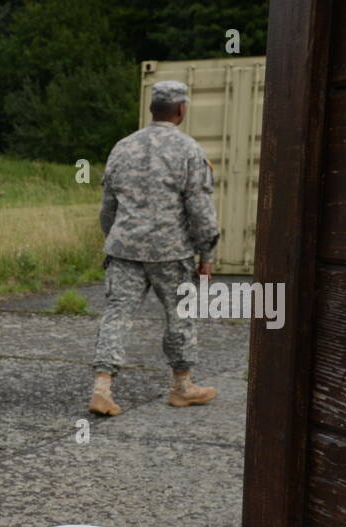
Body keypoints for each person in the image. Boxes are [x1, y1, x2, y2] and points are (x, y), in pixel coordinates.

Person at [90, 79, 221, 416]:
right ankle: (182, 386)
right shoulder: (189, 150)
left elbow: (107, 207)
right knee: (180, 316)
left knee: (117, 314)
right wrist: (206, 254)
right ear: (181, 109)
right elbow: (200, 210)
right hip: (170, 252)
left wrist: (116, 238)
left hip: (124, 249)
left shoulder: (122, 147)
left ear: (152, 108)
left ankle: (102, 387)